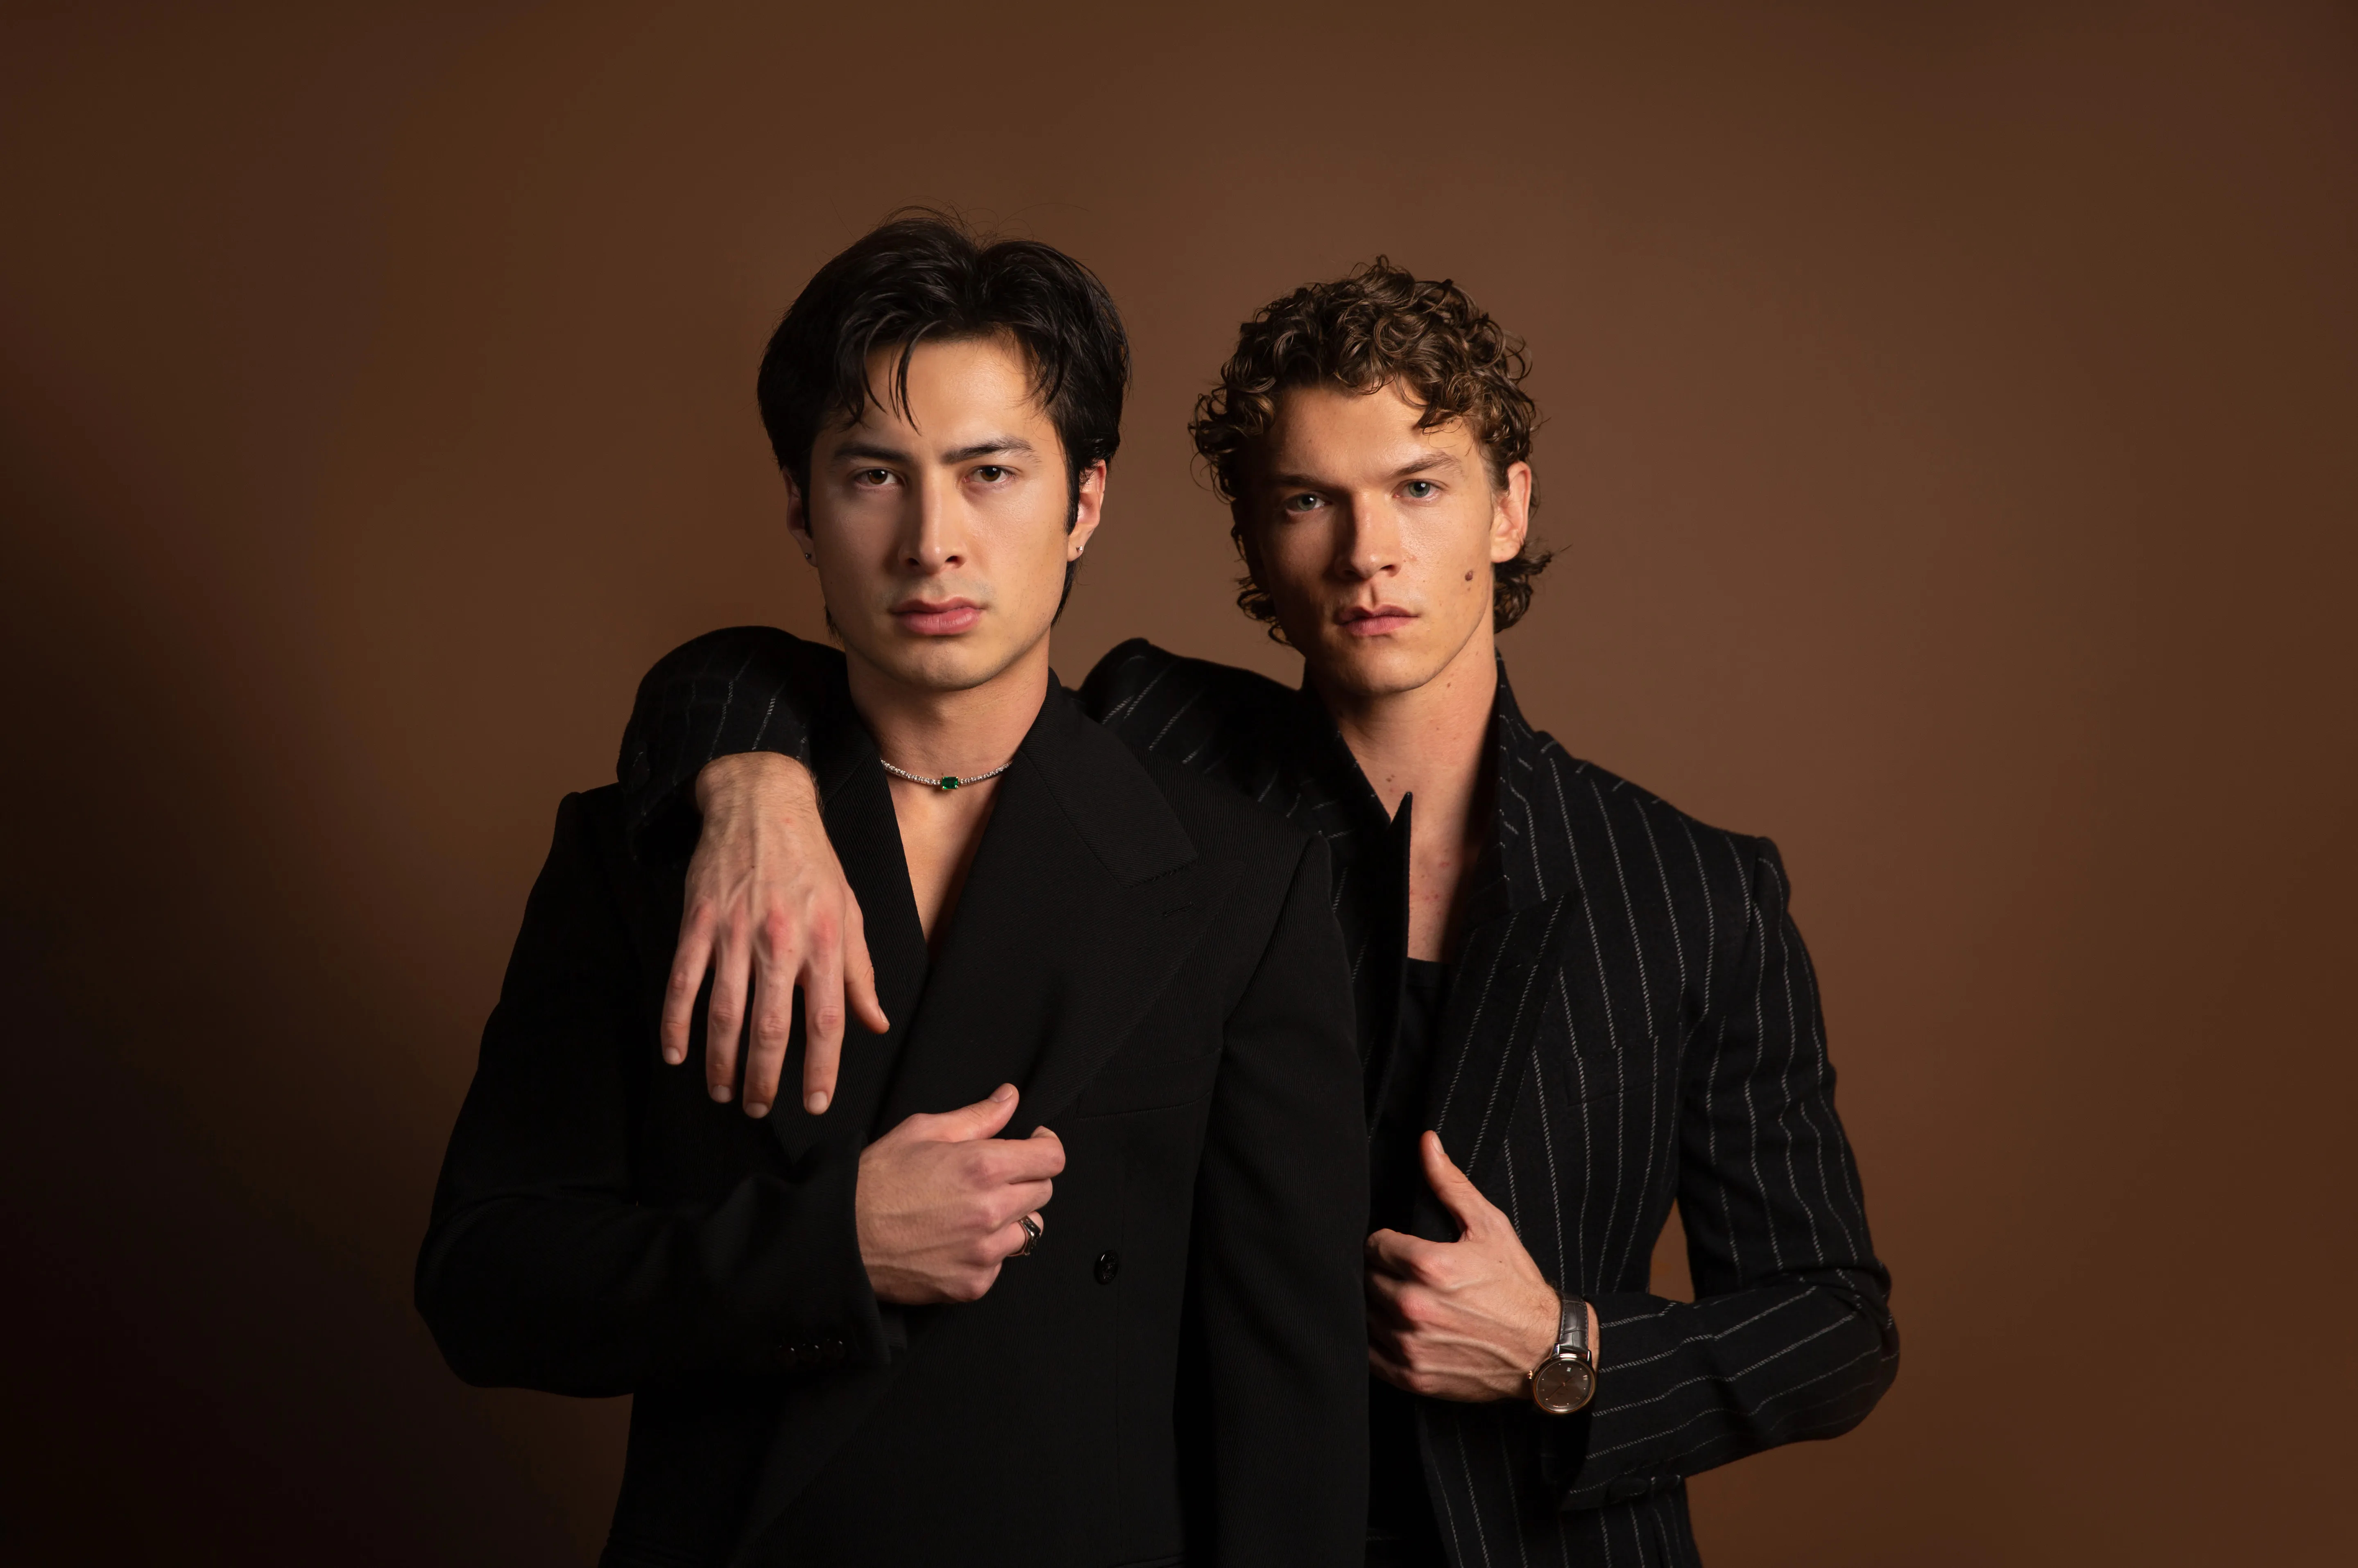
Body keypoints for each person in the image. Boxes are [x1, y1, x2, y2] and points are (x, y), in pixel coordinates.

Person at [625, 257, 1900, 1566]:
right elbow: (800, 671)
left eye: (1419, 488)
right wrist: (751, 784)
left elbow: (1836, 1323)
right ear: (1250, 536)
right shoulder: (1151, 746)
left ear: (1508, 508)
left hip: (1535, 1535)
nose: (1367, 554)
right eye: (1307, 500)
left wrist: (1561, 1349)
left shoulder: (1693, 890)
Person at [415, 217, 1370, 1568]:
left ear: (1085, 500)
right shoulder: (649, 851)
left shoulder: (1241, 884)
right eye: (875, 475)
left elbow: (1290, 1426)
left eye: (992, 475)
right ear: (800, 508)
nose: (934, 542)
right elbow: (486, 1285)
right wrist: (830, 1252)